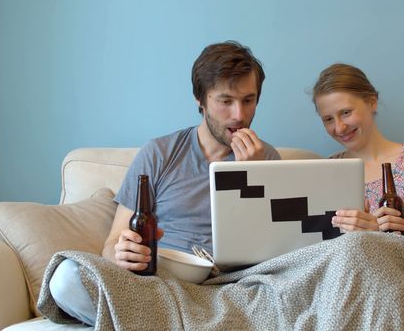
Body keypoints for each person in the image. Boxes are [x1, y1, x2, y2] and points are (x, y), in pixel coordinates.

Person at [48, 40, 281, 325]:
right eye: (225, 101)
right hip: (158, 287)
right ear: (200, 99)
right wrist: (121, 253)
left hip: (233, 290)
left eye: (248, 100)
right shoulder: (159, 153)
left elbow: (272, 256)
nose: (240, 115)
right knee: (65, 279)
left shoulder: (267, 158)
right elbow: (111, 244)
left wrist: (250, 178)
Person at [311, 63, 404, 307]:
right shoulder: (326, 171)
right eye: (328, 119)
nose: (339, 128)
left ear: (372, 102)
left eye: (346, 113)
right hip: (359, 282)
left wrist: (381, 239)